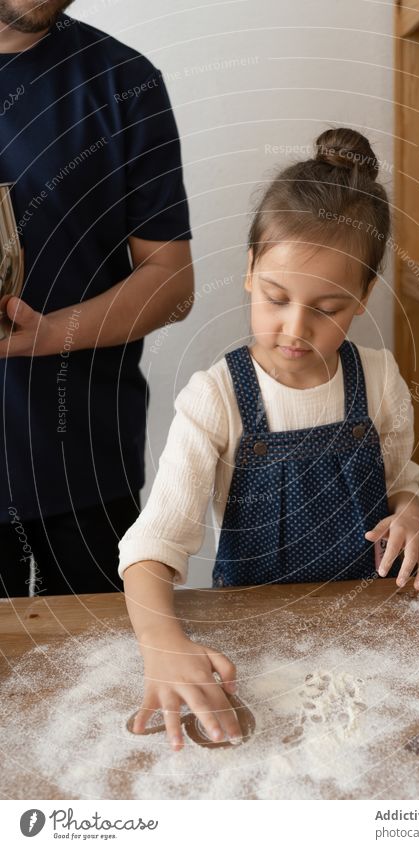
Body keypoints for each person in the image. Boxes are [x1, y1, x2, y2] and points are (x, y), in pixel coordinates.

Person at [118, 127, 419, 751]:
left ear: (364, 297)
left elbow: (398, 484)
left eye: (328, 307)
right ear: (249, 273)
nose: (295, 328)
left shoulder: (378, 380)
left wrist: (412, 516)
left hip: (367, 631)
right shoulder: (215, 398)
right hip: (253, 641)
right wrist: (162, 643)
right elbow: (152, 546)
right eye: (276, 297)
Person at [0, 1, 193, 597]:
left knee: (100, 676)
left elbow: (172, 280)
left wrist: (47, 334)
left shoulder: (123, 81)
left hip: (82, 463)